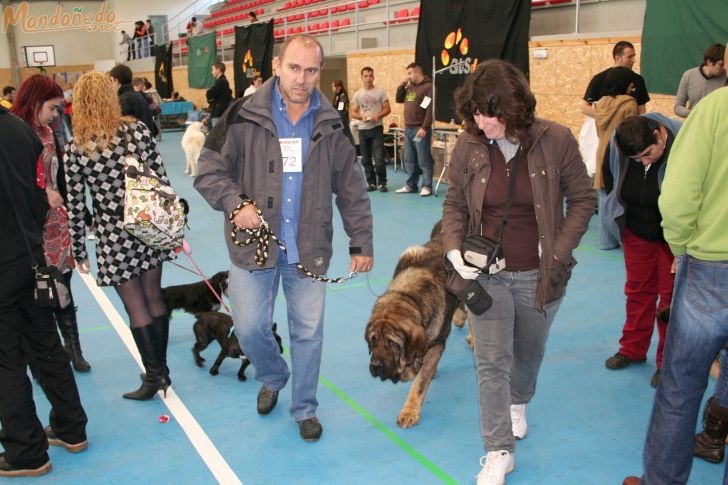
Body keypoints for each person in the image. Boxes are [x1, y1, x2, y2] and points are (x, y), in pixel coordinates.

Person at [194, 34, 373, 442]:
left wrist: (361, 241)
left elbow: (351, 187)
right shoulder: (242, 113)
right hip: (252, 248)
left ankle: (305, 407)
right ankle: (274, 374)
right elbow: (208, 170)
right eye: (294, 67)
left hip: (309, 249)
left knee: (308, 332)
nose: (302, 78)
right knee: (249, 326)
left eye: (311, 70)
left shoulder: (330, 122)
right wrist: (235, 203)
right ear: (277, 65)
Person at [442, 60, 595, 484]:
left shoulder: (557, 140)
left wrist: (559, 252)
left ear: (516, 109)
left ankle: (519, 400)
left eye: (490, 113)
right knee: (490, 362)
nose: (481, 121)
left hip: (540, 273)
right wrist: (453, 248)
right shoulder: (468, 146)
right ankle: (498, 449)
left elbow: (583, 200)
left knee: (528, 353)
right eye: (475, 112)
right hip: (484, 274)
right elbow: (455, 202)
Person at [622, 71, 728, 485]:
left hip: (711, 269)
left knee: (680, 388)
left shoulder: (715, 108)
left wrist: (681, 249)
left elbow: (679, 195)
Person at [64, 71, 176, 401]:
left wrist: (78, 248)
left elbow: (75, 202)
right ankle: (162, 370)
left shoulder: (77, 146)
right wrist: (170, 227)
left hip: (113, 234)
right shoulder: (137, 130)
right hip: (148, 223)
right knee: (154, 295)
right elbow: (161, 176)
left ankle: (154, 375)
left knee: (135, 304)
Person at [0, 101, 88, 479]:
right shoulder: (20, 130)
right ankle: (71, 427)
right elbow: (40, 195)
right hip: (30, 256)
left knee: (7, 361)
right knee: (45, 345)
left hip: (4, 261)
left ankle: (26, 451)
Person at [11, 74, 91, 372]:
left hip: (56, 224)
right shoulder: (13, 132)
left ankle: (74, 350)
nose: (57, 114)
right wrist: (44, 192)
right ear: (36, 101)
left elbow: (61, 178)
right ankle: (39, 356)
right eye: (54, 107)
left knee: (63, 288)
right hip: (28, 226)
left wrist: (73, 209)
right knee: (33, 293)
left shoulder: (48, 133)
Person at [601, 114, 681, 388]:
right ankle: (632, 349)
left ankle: (666, 362)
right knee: (637, 291)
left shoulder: (685, 141)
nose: (644, 163)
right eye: (636, 160)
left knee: (671, 301)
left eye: (648, 155)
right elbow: (610, 179)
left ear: (659, 134)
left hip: (674, 238)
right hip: (636, 230)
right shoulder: (619, 143)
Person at [592, 67, 640, 190]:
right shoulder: (630, 104)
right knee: (620, 194)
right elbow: (632, 135)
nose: (633, 85)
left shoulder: (601, 102)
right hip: (621, 155)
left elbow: (598, 131)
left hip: (602, 152)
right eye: (630, 81)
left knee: (604, 197)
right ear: (624, 83)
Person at [394, 62, 435, 196]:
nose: (408, 76)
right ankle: (411, 185)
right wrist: (402, 85)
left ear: (418, 72)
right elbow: (399, 99)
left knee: (423, 159)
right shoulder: (410, 87)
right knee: (409, 159)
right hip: (408, 128)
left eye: (410, 73)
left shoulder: (428, 87)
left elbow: (430, 109)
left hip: (419, 129)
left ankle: (427, 186)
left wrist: (424, 127)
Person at [582, 40, 650, 116]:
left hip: (629, 126)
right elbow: (585, 107)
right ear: (618, 58)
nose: (633, 60)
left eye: (634, 56)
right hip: (604, 126)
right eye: (629, 57)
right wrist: (605, 117)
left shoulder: (638, 80)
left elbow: (642, 110)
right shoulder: (599, 78)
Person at [350, 67, 391, 192]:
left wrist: (378, 115)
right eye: (366, 76)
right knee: (366, 159)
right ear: (362, 77)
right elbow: (353, 112)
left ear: (373, 77)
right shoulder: (358, 94)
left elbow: (387, 109)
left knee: (379, 159)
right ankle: (371, 183)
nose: (368, 78)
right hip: (363, 130)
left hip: (376, 128)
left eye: (370, 76)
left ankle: (382, 182)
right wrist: (362, 117)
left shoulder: (380, 92)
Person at [674, 43, 726, 118]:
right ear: (709, 62)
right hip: (695, 124)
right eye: (721, 64)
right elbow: (678, 107)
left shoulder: (726, 78)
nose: (724, 68)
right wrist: (695, 114)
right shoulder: (688, 75)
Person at [109, 64, 158, 138]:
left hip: (137, 143)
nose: (111, 85)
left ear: (117, 81)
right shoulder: (137, 96)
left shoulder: (124, 100)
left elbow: (124, 129)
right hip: (146, 141)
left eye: (111, 81)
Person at [206, 62, 233, 129]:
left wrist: (210, 97)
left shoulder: (222, 82)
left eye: (213, 69)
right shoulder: (221, 82)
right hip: (218, 112)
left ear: (218, 70)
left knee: (218, 135)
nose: (212, 72)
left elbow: (209, 94)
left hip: (218, 113)